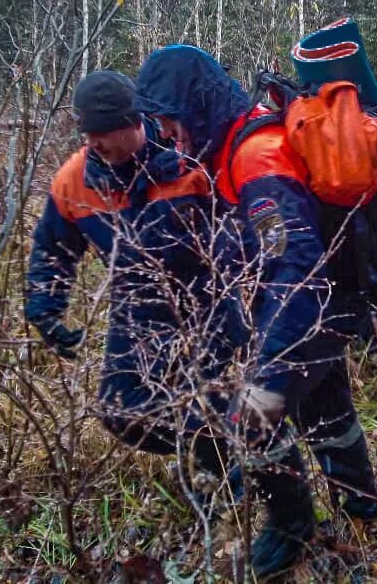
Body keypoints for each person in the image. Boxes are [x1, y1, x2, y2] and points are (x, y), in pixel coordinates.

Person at [134, 45, 377, 578]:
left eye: (170, 120)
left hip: (316, 305)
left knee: (252, 418)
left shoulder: (256, 157)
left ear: (196, 107)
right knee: (328, 407)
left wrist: (268, 370)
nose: (167, 132)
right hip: (325, 305)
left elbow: (296, 267)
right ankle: (361, 504)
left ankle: (292, 528)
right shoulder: (228, 146)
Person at [24, 70, 244, 489]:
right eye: (87, 132)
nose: (93, 143)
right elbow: (54, 248)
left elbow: (240, 234)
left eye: (103, 132)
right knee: (122, 411)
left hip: (204, 305)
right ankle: (229, 455)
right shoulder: (75, 181)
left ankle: (237, 477)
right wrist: (45, 308)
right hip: (136, 309)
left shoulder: (191, 161)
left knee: (206, 399)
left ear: (134, 122)